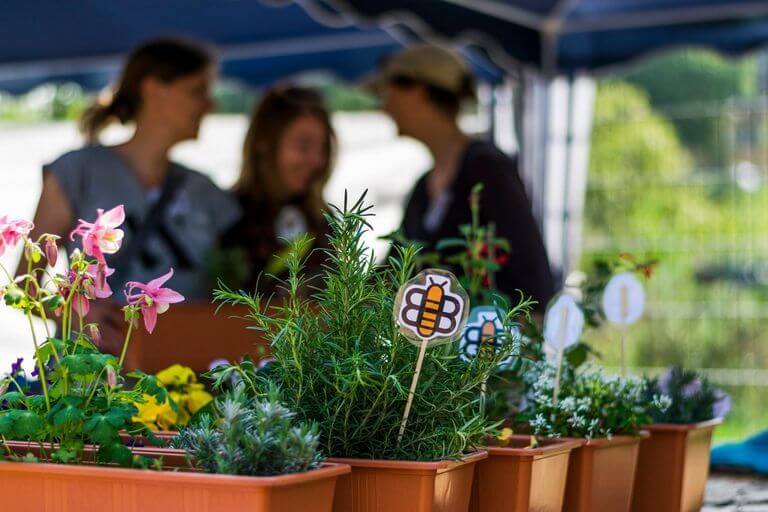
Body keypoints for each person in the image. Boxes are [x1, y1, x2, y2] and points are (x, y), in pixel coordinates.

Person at [29, 38, 240, 345]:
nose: (211, 105)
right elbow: (25, 284)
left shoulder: (205, 190)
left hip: (186, 379)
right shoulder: (77, 171)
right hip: (94, 382)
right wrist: (75, 313)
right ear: (153, 88)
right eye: (197, 91)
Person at [367, 44, 555, 310]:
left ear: (418, 92)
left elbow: (533, 276)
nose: (384, 108)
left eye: (388, 94)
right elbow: (390, 273)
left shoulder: (487, 168)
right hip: (438, 350)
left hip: (490, 345)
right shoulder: (423, 187)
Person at [222, 85, 335, 293]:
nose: (316, 160)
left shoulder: (326, 223)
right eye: (304, 146)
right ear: (264, 143)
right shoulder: (226, 217)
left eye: (323, 149)